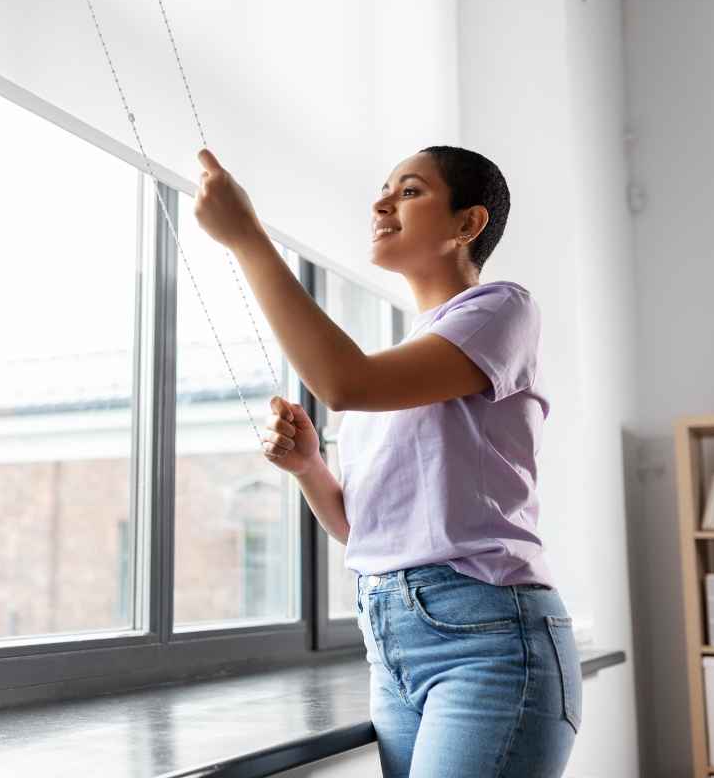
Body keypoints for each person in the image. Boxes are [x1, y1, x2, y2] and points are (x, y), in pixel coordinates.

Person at [193, 145, 581, 777]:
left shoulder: (502, 310)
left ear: (467, 225)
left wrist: (248, 238)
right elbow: (362, 528)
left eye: (408, 191)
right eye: (384, 189)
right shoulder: (404, 365)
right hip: (392, 646)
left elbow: (344, 382)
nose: (380, 202)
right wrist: (310, 469)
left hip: (487, 642)